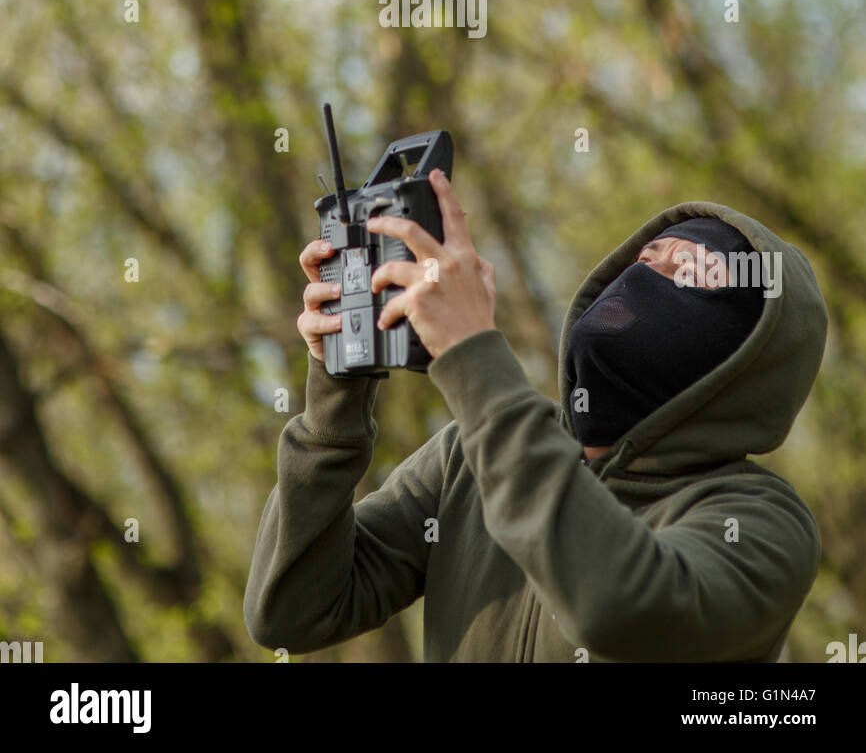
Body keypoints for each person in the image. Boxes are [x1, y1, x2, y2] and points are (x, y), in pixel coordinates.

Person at [242, 170, 828, 662]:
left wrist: (472, 355)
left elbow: (618, 605)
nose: (649, 281)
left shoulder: (760, 520)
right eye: (647, 261)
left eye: (695, 275)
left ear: (747, 355)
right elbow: (292, 610)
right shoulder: (467, 461)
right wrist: (336, 396)